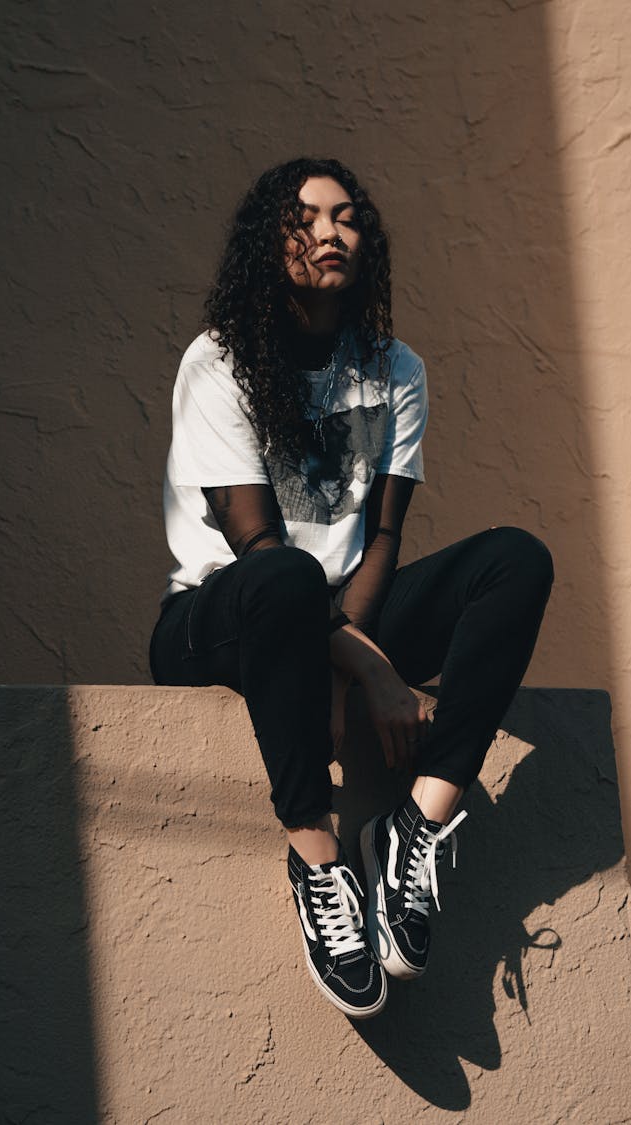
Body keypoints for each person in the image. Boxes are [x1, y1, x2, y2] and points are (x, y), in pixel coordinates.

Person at [149, 157, 554, 1020]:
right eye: (305, 219)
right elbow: (256, 544)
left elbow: (383, 536)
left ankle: (417, 823)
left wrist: (345, 659)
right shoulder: (218, 362)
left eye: (347, 217)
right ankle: (319, 859)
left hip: (336, 617)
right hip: (223, 619)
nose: (330, 232)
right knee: (287, 573)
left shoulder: (395, 367)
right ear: (271, 243)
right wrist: (370, 672)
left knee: (515, 559)